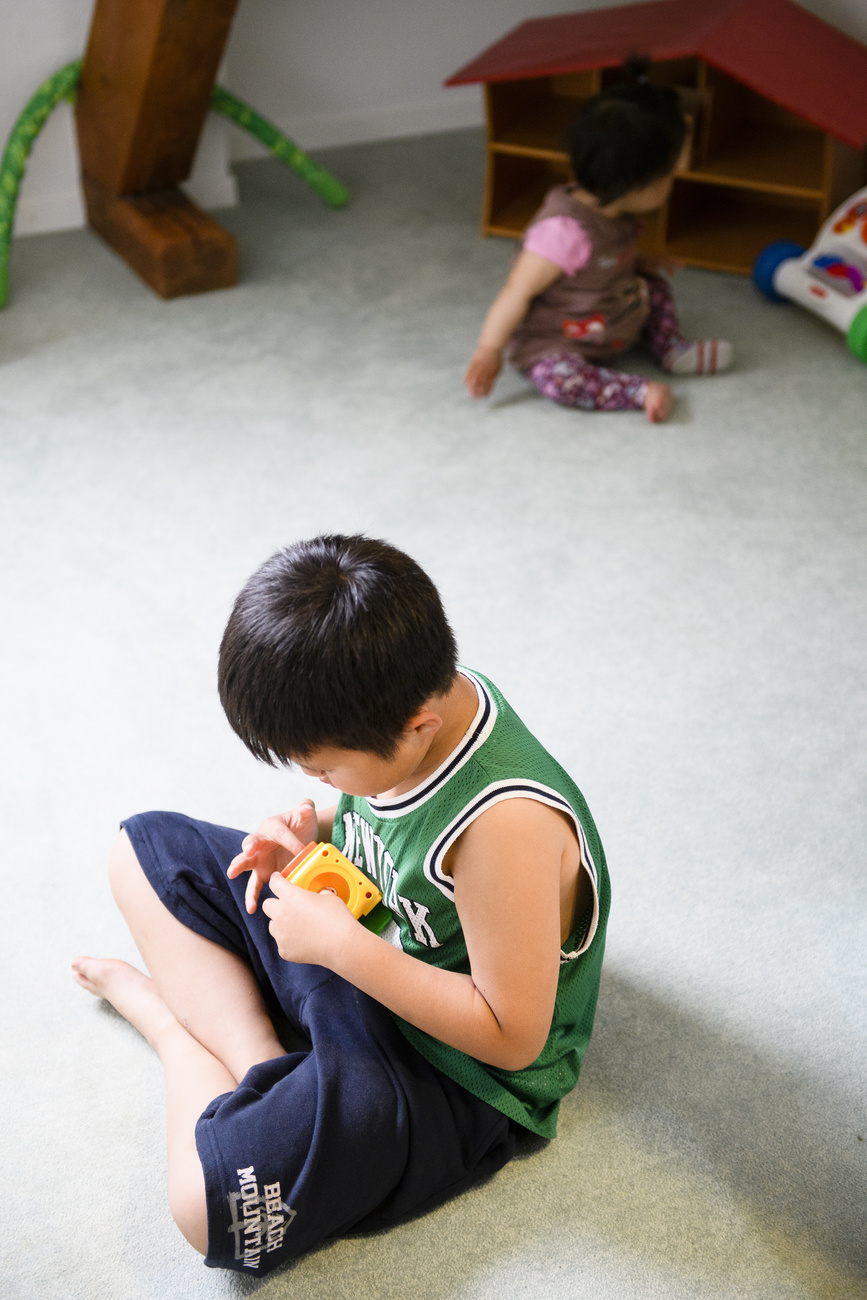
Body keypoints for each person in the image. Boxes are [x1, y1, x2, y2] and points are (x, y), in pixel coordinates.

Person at [72, 534, 610, 1275]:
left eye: (323, 765)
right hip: (359, 948)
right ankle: (262, 1063)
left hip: (453, 1072)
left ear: (417, 723)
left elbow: (512, 1038)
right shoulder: (418, 697)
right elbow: (392, 816)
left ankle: (173, 1031)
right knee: (140, 851)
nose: (314, 776)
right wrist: (313, 831)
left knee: (208, 1209)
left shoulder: (502, 830)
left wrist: (343, 950)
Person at [465, 67, 733, 422]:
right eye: (669, 175)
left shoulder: (614, 206)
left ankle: (670, 348)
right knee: (560, 381)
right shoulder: (563, 233)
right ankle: (639, 391)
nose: (674, 182)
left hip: (611, 312)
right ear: (634, 183)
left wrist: (639, 262)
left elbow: (602, 259)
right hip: (560, 341)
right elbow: (516, 292)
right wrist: (488, 350)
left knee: (655, 288)